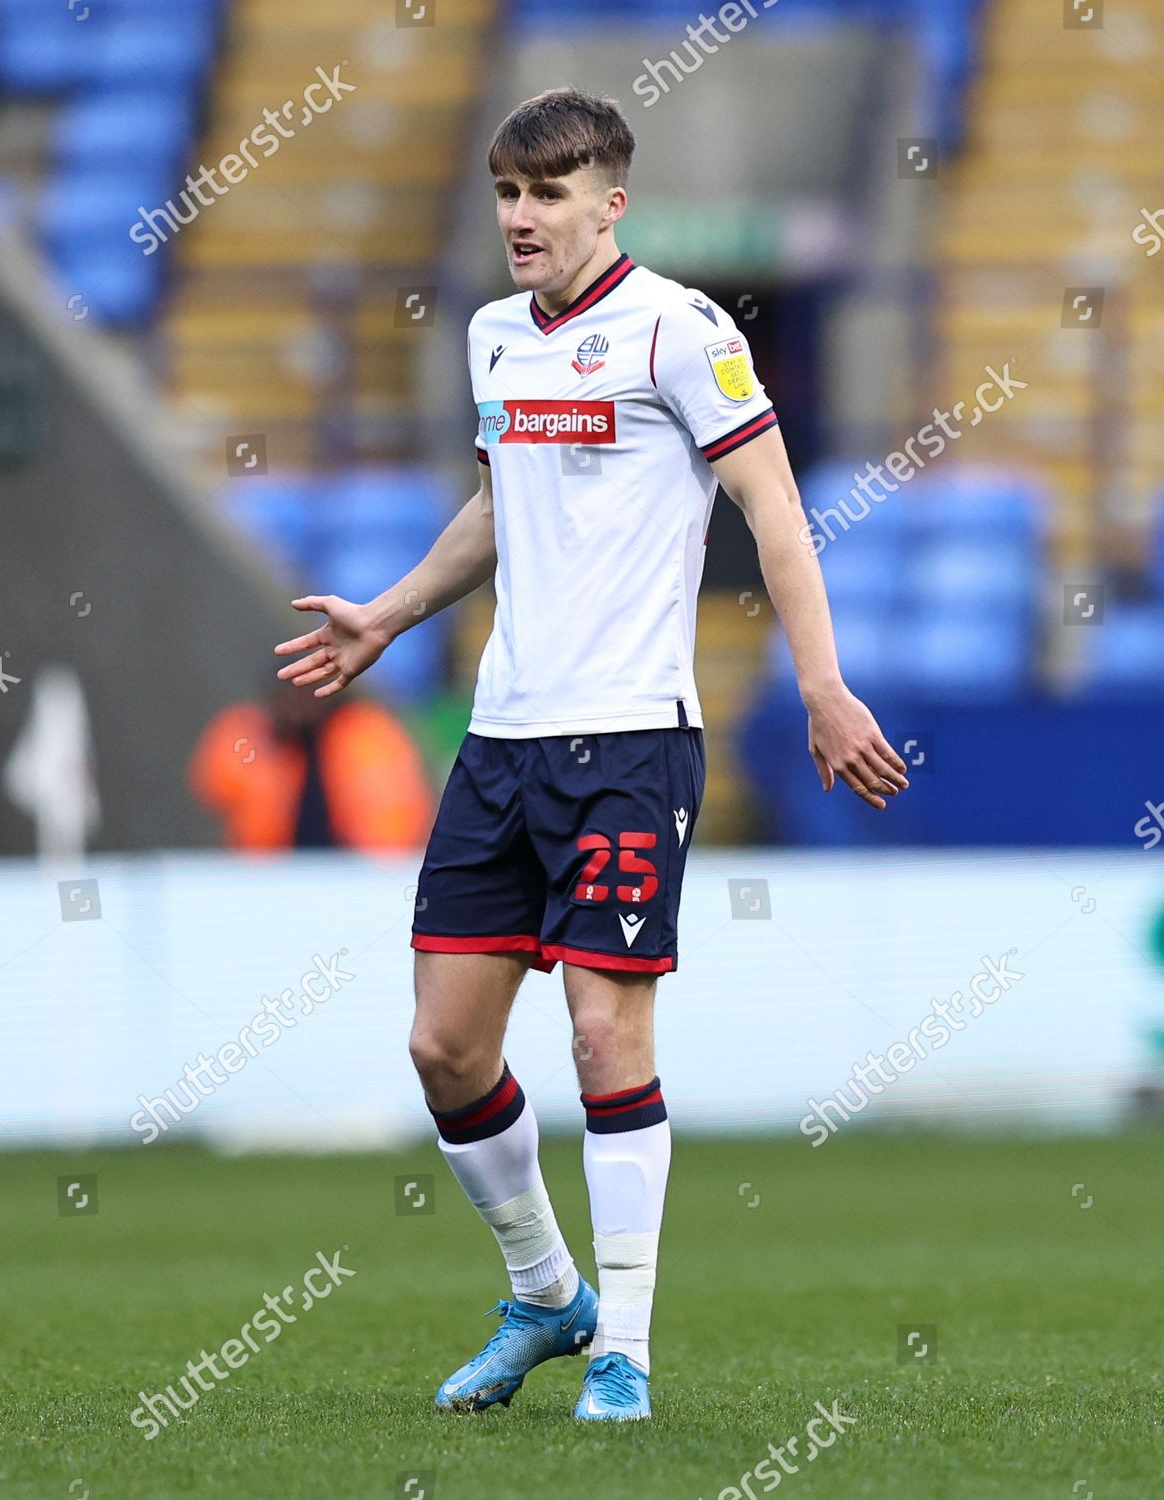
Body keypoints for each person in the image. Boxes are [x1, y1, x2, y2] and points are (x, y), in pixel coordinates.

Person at [274, 87, 908, 1422]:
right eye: (506, 192)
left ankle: (621, 1343)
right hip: (499, 741)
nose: (519, 216)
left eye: (547, 193)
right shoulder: (497, 336)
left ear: (608, 204)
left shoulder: (681, 331)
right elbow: (503, 499)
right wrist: (387, 614)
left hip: (627, 741)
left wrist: (822, 685)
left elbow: (774, 508)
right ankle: (546, 1293)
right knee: (443, 1050)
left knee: (603, 1033)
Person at [189, 680, 432, 851]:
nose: (296, 706)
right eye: (287, 694)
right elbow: (214, 789)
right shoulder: (252, 733)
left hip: (354, 878)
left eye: (307, 693)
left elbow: (392, 826)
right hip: (268, 878)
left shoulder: (364, 734)